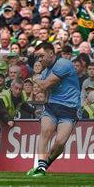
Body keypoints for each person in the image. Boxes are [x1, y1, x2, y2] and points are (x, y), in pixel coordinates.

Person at [27, 42, 81, 177]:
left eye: (41, 56)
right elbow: (45, 91)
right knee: (45, 132)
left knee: (60, 142)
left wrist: (36, 78)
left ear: (51, 53)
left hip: (69, 109)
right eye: (37, 57)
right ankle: (40, 166)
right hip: (52, 107)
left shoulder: (63, 64)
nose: (39, 60)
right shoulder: (45, 72)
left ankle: (44, 165)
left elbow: (45, 85)